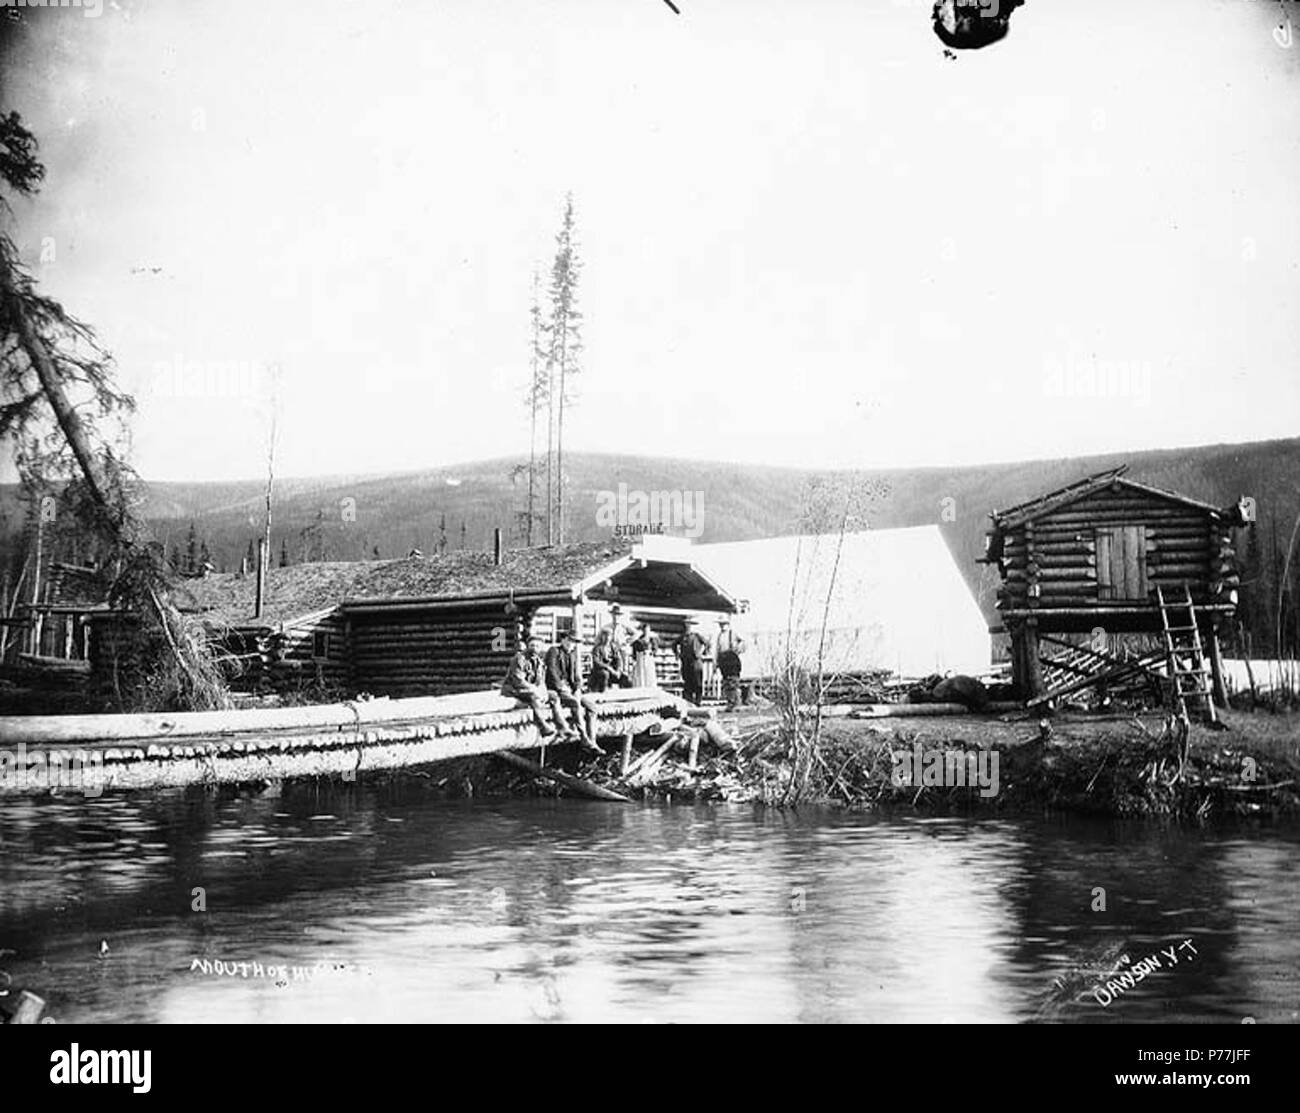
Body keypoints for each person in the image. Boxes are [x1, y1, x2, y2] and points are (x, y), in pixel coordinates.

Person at [500, 633, 570, 740]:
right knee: (533, 697)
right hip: (513, 690)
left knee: (554, 696)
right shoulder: (519, 659)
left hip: (530, 691)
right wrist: (535, 691)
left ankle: (562, 727)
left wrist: (544, 693)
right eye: (532, 645)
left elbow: (541, 681)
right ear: (528, 646)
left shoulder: (539, 662)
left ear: (541, 648)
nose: (534, 648)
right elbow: (518, 680)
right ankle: (543, 726)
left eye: (537, 646)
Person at [546, 629, 602, 753]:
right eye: (570, 640)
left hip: (570, 690)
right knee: (575, 703)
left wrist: (577, 688)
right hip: (557, 689)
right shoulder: (554, 651)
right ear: (563, 639)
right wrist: (561, 687)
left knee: (592, 707)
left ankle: (593, 742)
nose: (572, 644)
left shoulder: (573, 654)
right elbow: (551, 672)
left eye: (575, 642)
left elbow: (576, 676)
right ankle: (584, 738)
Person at [714, 616, 746, 711]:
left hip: (732, 660)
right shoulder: (719, 636)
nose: (722, 626)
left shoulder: (734, 633)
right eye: (720, 624)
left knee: (733, 682)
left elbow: (743, 642)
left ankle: (736, 704)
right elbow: (717, 650)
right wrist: (716, 663)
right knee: (726, 682)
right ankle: (730, 703)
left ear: (728, 624)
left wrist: (738, 650)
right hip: (723, 661)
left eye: (724, 624)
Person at [588, 624, 633, 692]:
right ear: (602, 637)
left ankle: (625, 696)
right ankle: (603, 693)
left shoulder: (612, 648)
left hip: (612, 671)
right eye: (605, 636)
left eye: (609, 636)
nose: (607, 638)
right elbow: (596, 662)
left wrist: (618, 670)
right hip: (599, 672)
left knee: (626, 678)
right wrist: (608, 668)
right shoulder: (597, 648)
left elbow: (618, 659)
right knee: (605, 674)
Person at [677, 617, 711, 705]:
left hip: (696, 662)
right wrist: (678, 654)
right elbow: (674, 645)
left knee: (697, 682)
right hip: (686, 663)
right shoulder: (682, 637)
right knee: (687, 683)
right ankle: (689, 702)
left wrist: (701, 653)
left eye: (690, 624)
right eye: (687, 624)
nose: (689, 626)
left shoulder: (697, 636)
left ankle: (698, 701)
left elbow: (707, 644)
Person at [630, 622, 660, 689]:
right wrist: (635, 659)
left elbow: (655, 649)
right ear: (642, 631)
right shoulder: (638, 641)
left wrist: (652, 652)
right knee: (641, 673)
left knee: (649, 673)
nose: (646, 631)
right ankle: (642, 686)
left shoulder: (652, 640)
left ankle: (650, 687)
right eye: (644, 630)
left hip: (649, 658)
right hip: (641, 658)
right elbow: (634, 651)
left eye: (647, 630)